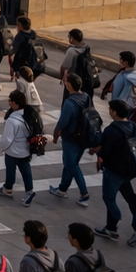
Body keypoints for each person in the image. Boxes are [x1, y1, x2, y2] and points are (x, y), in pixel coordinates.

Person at [93, 100, 136, 245]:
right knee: (129, 196)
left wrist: (98, 152)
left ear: (115, 112)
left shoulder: (111, 130)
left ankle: (115, 220)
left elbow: (105, 151)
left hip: (113, 169)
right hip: (129, 168)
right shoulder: (133, 126)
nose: (109, 111)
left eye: (110, 109)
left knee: (108, 197)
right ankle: (134, 225)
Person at [48, 73, 94, 207]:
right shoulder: (86, 97)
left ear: (69, 85)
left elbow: (62, 122)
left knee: (71, 164)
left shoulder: (69, 102)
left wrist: (56, 135)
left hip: (71, 137)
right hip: (83, 137)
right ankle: (62, 189)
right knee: (70, 163)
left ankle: (84, 194)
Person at [0, 90, 37, 205]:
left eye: (10, 100)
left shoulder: (12, 120)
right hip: (25, 150)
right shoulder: (28, 115)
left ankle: (8, 188)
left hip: (12, 151)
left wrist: (1, 147)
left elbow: (7, 139)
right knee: (26, 171)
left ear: (16, 104)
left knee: (11, 171)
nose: (9, 102)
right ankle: (29, 191)